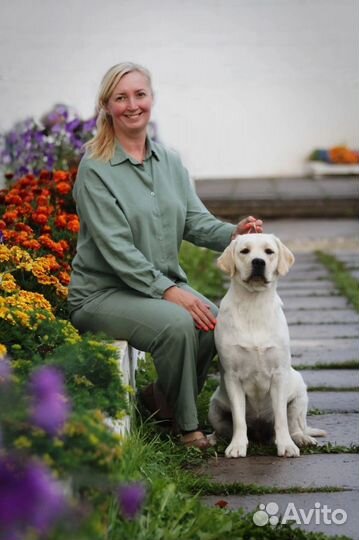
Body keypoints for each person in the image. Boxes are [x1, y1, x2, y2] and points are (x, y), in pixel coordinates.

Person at [68, 62, 263, 450]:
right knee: (177, 326)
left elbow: (194, 221)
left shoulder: (170, 162)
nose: (132, 105)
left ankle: (160, 399)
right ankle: (187, 429)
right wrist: (170, 291)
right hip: (103, 293)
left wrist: (234, 232)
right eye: (120, 98)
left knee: (213, 323)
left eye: (139, 94)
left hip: (153, 289)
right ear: (106, 106)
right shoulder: (95, 169)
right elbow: (117, 250)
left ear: (151, 99)